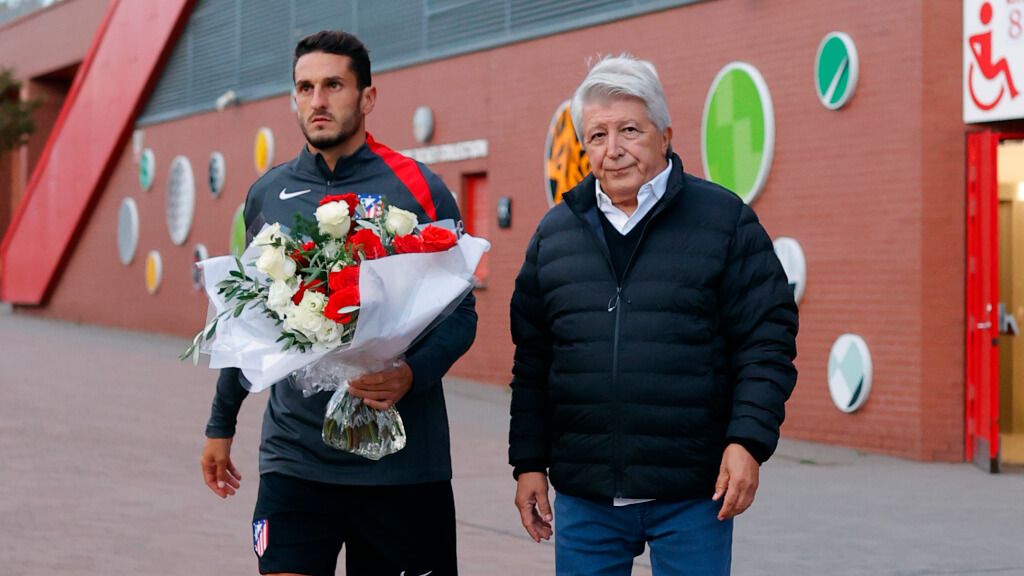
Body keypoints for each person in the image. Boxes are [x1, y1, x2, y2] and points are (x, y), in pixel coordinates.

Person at [508, 55, 798, 575]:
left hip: (693, 492)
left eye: (629, 130)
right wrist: (528, 462)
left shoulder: (725, 221)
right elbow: (533, 362)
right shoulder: (554, 236)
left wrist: (748, 442)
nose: (613, 149)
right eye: (597, 136)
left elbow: (766, 342)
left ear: (666, 134)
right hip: (586, 497)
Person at [200, 30, 476, 576]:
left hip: (400, 466)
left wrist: (411, 374)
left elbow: (461, 315)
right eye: (305, 87)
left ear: (367, 98)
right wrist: (220, 423)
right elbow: (249, 320)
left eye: (333, 85)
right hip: (295, 460)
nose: (318, 100)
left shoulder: (419, 189)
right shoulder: (267, 193)